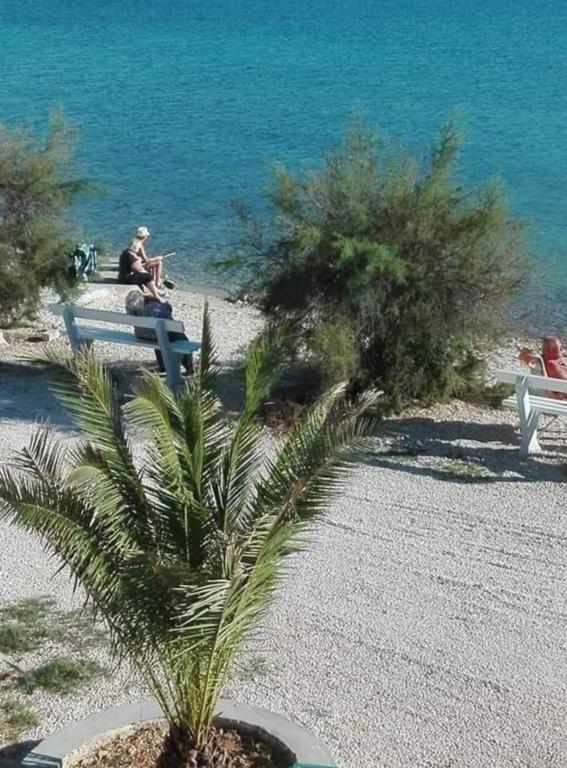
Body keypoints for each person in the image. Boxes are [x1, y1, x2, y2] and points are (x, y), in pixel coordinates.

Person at [125, 290, 193, 375]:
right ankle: (189, 368)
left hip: (142, 336)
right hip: (159, 336)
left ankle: (162, 366)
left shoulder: (131, 310)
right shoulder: (153, 307)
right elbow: (168, 309)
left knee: (157, 338)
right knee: (182, 338)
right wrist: (158, 300)